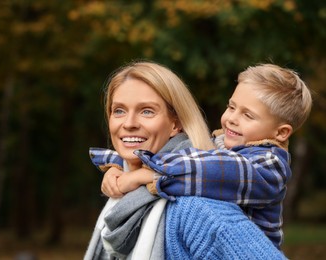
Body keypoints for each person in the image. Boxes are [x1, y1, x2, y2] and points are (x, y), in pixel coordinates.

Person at [84, 61, 286, 259]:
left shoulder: (197, 210)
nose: (129, 123)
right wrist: (113, 167)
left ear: (176, 124)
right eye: (119, 110)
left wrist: (146, 175)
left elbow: (213, 168)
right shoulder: (127, 187)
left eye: (147, 111)